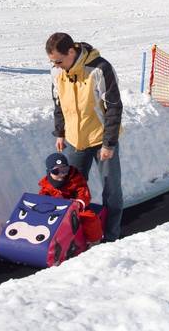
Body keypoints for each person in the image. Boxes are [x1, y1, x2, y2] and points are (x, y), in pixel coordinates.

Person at [46, 32, 123, 242]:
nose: (57, 66)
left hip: (101, 141)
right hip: (75, 140)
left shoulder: (99, 69)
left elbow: (114, 108)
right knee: (71, 190)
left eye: (59, 61)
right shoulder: (57, 72)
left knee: (111, 189)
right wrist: (60, 133)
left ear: (71, 51)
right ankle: (77, 236)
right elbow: (58, 104)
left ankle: (111, 237)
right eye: (53, 62)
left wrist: (109, 143)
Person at [39, 152, 103, 245]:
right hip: (56, 212)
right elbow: (41, 200)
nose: (62, 174)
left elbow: (84, 193)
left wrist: (79, 203)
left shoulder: (75, 179)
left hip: (75, 210)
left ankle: (94, 242)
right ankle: (45, 243)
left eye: (65, 169)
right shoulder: (46, 185)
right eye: (56, 171)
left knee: (90, 218)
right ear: (49, 172)